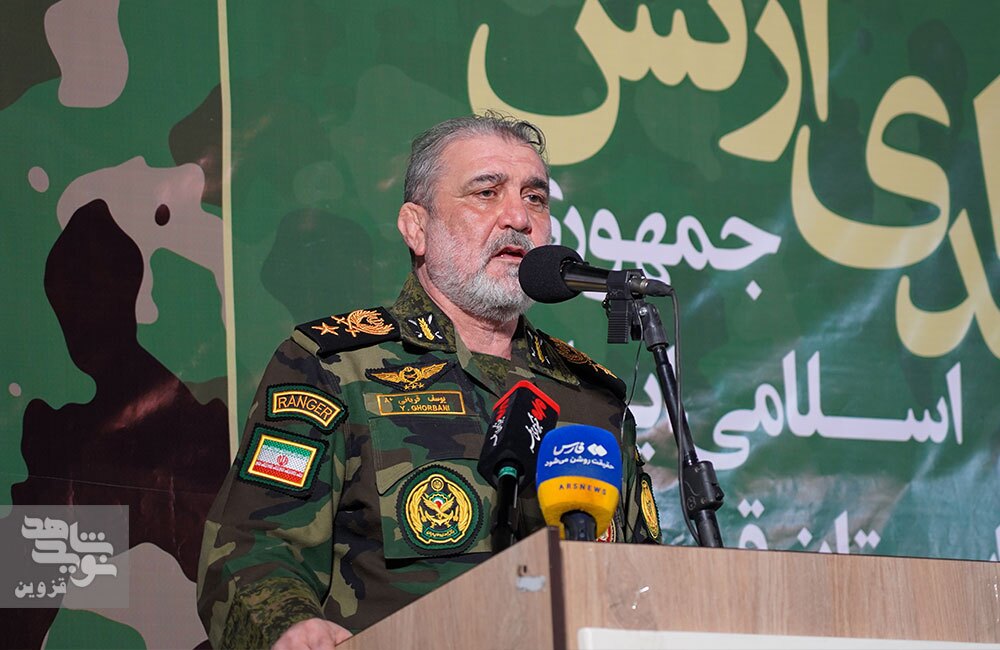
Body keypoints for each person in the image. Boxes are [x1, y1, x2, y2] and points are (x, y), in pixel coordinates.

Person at [197, 113, 661, 649]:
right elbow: (254, 547)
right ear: (416, 228)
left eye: (535, 198)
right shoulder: (337, 366)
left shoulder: (593, 398)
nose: (519, 217)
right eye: (486, 192)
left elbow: (644, 584)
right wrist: (290, 627)